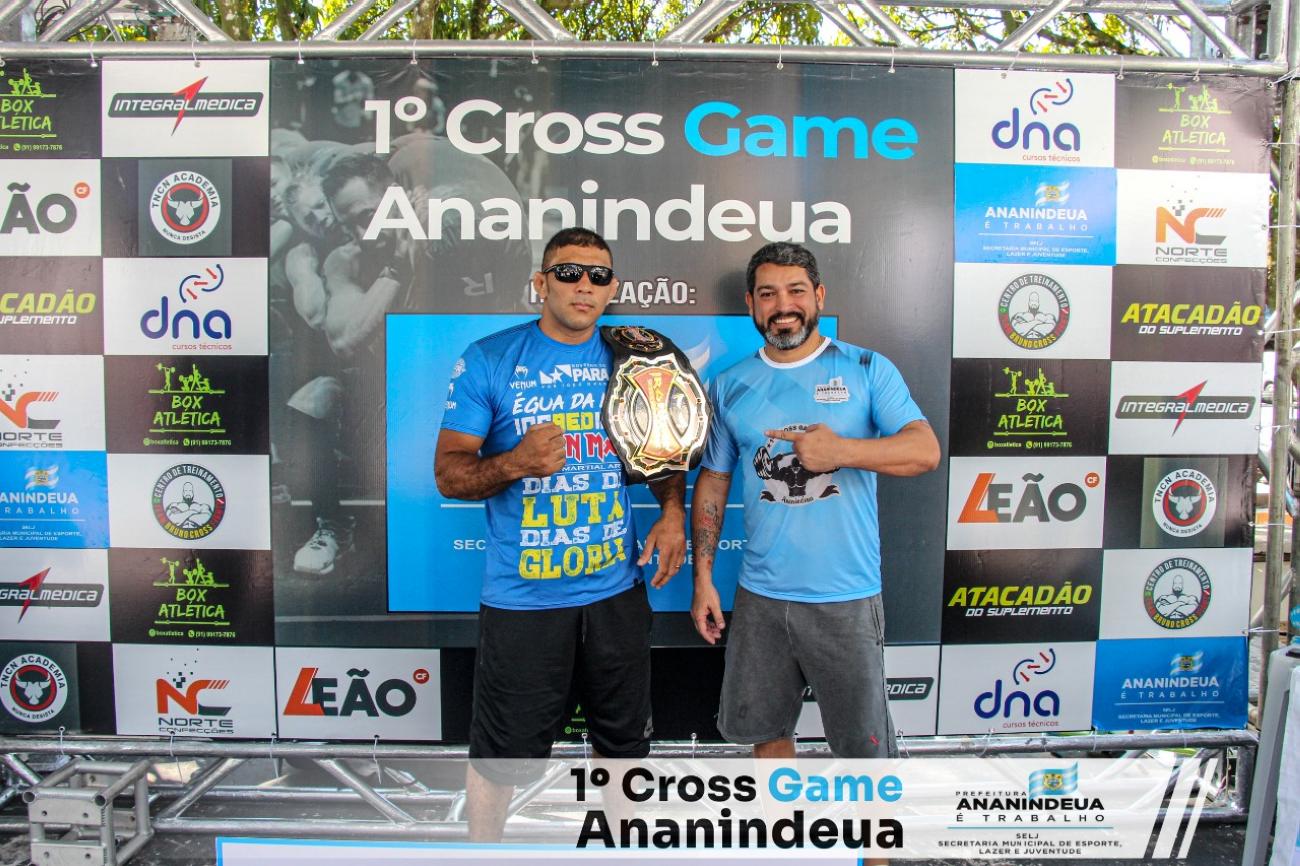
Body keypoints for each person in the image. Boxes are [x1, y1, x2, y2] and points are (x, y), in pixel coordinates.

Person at [434, 227, 687, 840]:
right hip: (523, 598)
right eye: (569, 272)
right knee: (499, 756)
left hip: (615, 593)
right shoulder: (491, 358)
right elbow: (448, 474)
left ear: (613, 288)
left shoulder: (636, 359)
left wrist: (672, 511)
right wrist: (515, 463)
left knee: (622, 747)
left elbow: (663, 452)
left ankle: (618, 853)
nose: (584, 285)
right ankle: (484, 858)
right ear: (540, 283)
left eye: (598, 275)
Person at [689, 241, 940, 759]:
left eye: (796, 291)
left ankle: (870, 821)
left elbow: (924, 451)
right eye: (768, 294)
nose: (783, 305)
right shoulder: (729, 385)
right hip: (760, 597)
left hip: (846, 597)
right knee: (765, 736)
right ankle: (781, 816)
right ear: (751, 304)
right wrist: (703, 579)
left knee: (865, 753)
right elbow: (713, 481)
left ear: (819, 296)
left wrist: (840, 451)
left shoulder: (866, 368)